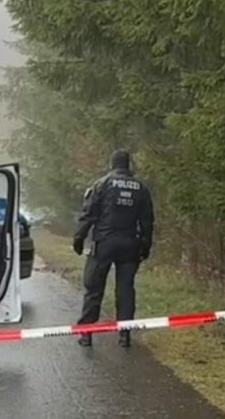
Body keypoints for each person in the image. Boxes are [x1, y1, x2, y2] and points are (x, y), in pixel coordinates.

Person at [72, 149, 154, 348]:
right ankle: (124, 334)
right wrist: (146, 245)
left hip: (104, 244)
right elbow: (147, 220)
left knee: (93, 288)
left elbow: (89, 214)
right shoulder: (140, 188)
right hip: (129, 244)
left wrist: (79, 237)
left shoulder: (102, 184)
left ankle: (86, 334)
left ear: (112, 165)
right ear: (128, 166)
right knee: (125, 289)